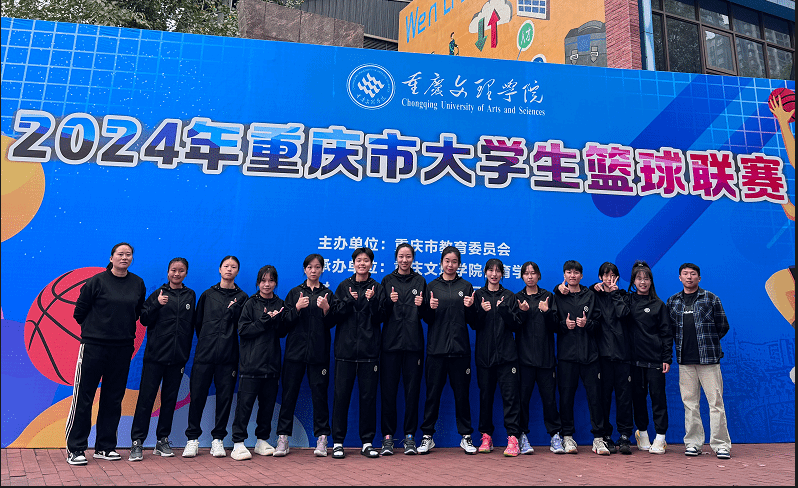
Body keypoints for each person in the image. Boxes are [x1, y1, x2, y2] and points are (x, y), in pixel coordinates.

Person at [65, 242, 146, 465]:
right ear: (111, 258)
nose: (124, 257)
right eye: (120, 254)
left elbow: (136, 312)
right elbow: (79, 312)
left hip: (122, 348)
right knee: (84, 398)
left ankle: (105, 447)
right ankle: (76, 449)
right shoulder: (96, 282)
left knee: (113, 398)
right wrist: (97, 331)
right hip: (94, 347)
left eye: (128, 254)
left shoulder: (137, 283)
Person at [129, 257, 196, 461]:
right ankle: (137, 442)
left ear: (186, 273)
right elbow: (144, 319)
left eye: (181, 270)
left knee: (169, 400)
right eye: (173, 270)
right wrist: (156, 305)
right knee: (146, 399)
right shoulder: (158, 294)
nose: (177, 274)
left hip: (177, 359)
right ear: (168, 272)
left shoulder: (190, 295)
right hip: (155, 357)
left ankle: (162, 440)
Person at [183, 256, 248, 458]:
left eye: (233, 267)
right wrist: (208, 341)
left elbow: (243, 326)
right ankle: (192, 439)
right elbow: (198, 323)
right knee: (197, 397)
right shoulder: (208, 295)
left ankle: (218, 439)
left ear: (237, 271)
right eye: (226, 266)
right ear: (220, 269)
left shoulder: (242, 297)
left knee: (224, 398)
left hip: (228, 357)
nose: (229, 269)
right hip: (204, 354)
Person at [274, 254, 337, 457]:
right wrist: (296, 309)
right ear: (304, 269)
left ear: (322, 270)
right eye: (310, 267)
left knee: (320, 397)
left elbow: (333, 323)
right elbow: (284, 324)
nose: (313, 270)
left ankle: (322, 438)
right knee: (288, 395)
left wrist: (326, 309)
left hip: (318, 354)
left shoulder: (327, 294)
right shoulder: (295, 293)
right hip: (295, 354)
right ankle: (283, 438)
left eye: (317, 267)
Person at [666, 262, 732, 459]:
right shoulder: (673, 301)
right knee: (690, 404)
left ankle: (721, 445)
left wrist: (708, 343)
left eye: (693, 274)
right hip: (685, 361)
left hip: (709, 360)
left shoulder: (711, 298)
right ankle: (693, 443)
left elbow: (722, 326)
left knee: (716, 403)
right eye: (685, 274)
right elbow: (669, 330)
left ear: (699, 278)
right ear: (679, 278)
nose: (689, 277)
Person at [417, 246, 478, 455]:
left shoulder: (466, 286)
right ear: (441, 262)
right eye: (447, 261)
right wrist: (429, 308)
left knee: (462, 396)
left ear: (459, 264)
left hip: (460, 351)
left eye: (454, 261)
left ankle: (466, 436)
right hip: (437, 351)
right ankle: (427, 436)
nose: (450, 265)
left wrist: (471, 307)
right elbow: (427, 319)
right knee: (432, 395)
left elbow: (473, 322)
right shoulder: (432, 286)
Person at [331, 247, 386, 459]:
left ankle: (367, 442)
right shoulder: (343, 286)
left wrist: (372, 301)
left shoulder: (377, 288)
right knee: (341, 398)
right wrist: (348, 301)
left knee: (368, 398)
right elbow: (334, 316)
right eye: (358, 260)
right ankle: (338, 442)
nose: (362, 264)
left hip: (369, 353)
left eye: (366, 260)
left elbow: (382, 317)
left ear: (371, 264)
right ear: (353, 263)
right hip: (344, 352)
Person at [230, 265, 287, 461]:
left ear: (275, 283)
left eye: (271, 281)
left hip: (271, 365)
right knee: (244, 406)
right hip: (251, 365)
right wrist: (264, 320)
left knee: (267, 406)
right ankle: (238, 443)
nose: (267, 284)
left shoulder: (280, 303)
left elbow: (282, 332)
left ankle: (262, 440)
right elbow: (243, 330)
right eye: (263, 281)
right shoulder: (250, 303)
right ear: (258, 282)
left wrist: (277, 320)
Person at [551, 260, 608, 455]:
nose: (572, 275)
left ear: (581, 276)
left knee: (595, 398)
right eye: (569, 272)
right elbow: (552, 324)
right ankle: (567, 437)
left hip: (590, 356)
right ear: (564, 275)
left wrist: (587, 324)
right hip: (567, 357)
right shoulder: (558, 295)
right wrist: (563, 325)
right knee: (566, 398)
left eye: (576, 272)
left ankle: (598, 439)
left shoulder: (590, 295)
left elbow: (599, 323)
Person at [472, 259, 523, 457]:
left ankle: (513, 438)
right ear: (485, 272)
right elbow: (474, 324)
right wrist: (481, 312)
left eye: (498, 271)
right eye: (490, 270)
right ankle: (486, 436)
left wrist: (504, 310)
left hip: (507, 357)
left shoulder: (509, 296)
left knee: (511, 398)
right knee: (486, 397)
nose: (494, 274)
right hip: (484, 357)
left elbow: (516, 326)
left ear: (502, 274)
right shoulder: (478, 295)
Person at [379, 243, 426, 455]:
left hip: (413, 346)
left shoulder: (420, 281)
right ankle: (388, 438)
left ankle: (409, 437)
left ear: (413, 259)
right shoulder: (387, 281)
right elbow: (379, 314)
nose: (404, 260)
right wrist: (389, 303)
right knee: (388, 393)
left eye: (408, 256)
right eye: (401, 256)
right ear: (396, 258)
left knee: (412, 393)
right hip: (390, 345)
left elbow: (427, 315)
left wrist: (423, 305)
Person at [515, 261, 563, 455]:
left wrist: (547, 312)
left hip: (545, 359)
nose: (530, 276)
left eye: (533, 273)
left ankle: (555, 436)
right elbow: (514, 326)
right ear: (522, 276)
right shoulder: (517, 298)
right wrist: (522, 312)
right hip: (524, 360)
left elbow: (556, 326)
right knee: (522, 401)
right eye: (526, 273)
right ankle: (522, 437)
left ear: (539, 276)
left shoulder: (548, 297)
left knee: (550, 400)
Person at [625, 261, 672, 455]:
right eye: (639, 278)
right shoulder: (627, 300)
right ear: (633, 281)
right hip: (634, 361)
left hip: (655, 361)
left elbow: (666, 334)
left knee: (658, 399)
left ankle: (660, 437)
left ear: (651, 281)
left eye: (646, 279)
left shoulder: (659, 305)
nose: (643, 282)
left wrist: (666, 358)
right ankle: (642, 433)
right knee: (638, 399)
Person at [591, 262, 633, 455]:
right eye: (606, 275)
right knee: (604, 398)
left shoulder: (624, 296)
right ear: (600, 277)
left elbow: (624, 314)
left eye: (612, 275)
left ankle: (624, 435)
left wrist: (615, 294)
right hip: (602, 356)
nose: (609, 279)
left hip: (623, 355)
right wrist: (594, 288)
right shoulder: (594, 295)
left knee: (624, 398)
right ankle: (605, 435)